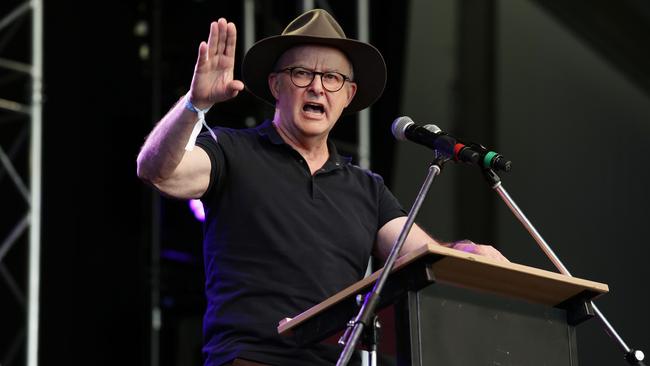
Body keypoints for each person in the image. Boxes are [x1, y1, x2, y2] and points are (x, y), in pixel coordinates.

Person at [137, 9, 507, 366]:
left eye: (332, 78)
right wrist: (194, 105)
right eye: (301, 73)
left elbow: (418, 256)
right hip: (251, 358)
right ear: (275, 84)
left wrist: (464, 252)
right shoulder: (232, 151)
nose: (317, 86)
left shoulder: (366, 188)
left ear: (348, 95)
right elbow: (159, 171)